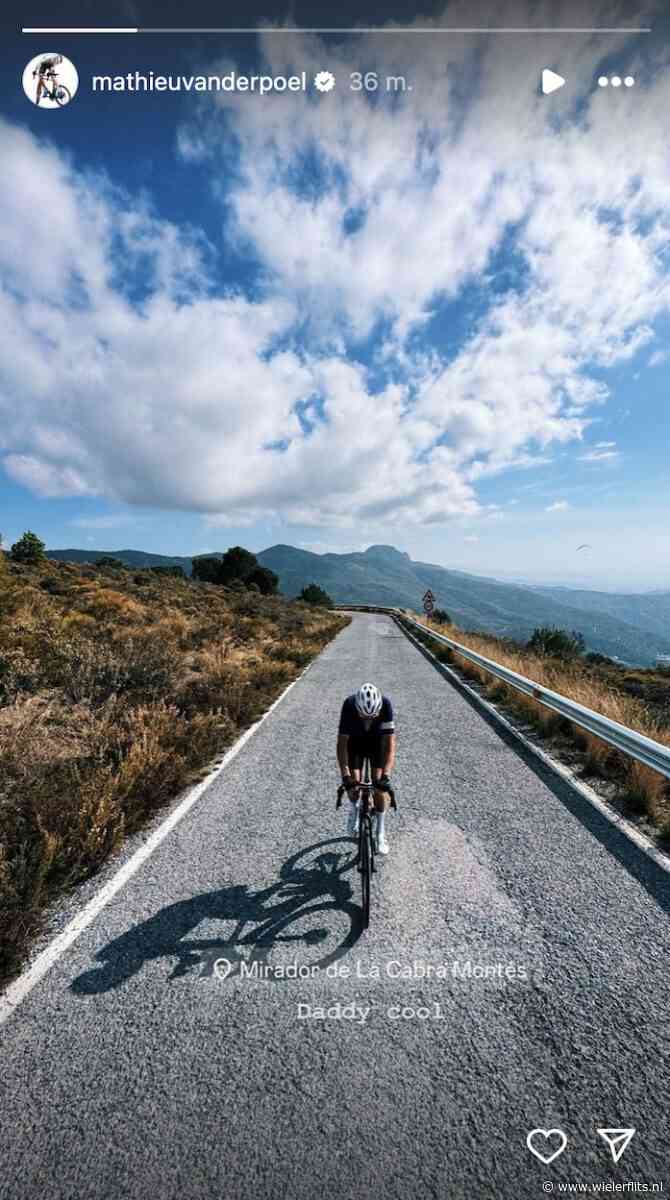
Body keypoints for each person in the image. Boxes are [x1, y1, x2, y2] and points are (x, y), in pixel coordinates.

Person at [337, 682, 396, 855]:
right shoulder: (349, 705)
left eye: (373, 716)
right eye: (364, 716)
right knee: (353, 785)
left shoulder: (385, 705)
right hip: (355, 744)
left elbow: (389, 744)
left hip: (377, 744)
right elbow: (342, 745)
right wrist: (346, 775)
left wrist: (386, 774)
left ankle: (380, 833)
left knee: (379, 788)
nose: (369, 720)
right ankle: (354, 809)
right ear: (357, 708)